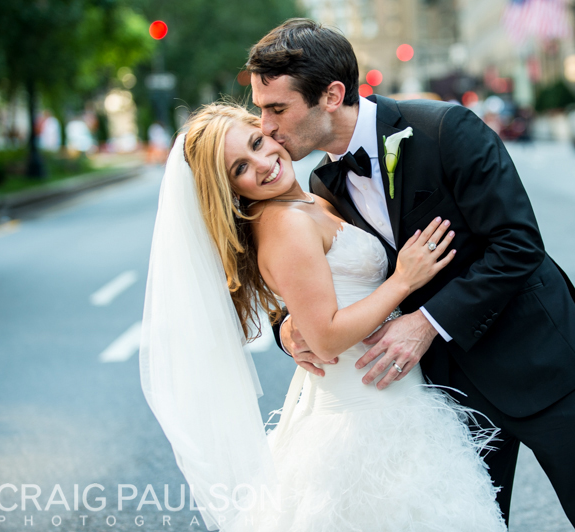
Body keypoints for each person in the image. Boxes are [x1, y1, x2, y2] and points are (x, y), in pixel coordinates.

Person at [247, 18, 575, 532]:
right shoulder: (324, 183)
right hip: (445, 395)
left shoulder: (446, 129)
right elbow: (328, 275)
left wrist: (426, 321)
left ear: (331, 95)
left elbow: (518, 244)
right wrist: (289, 328)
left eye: (276, 109)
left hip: (541, 362)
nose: (265, 126)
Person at [139, 103, 507, 532]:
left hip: (391, 397)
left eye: (257, 142)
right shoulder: (285, 224)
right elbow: (328, 337)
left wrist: (292, 324)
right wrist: (403, 281)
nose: (263, 163)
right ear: (230, 189)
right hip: (365, 412)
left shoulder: (312, 197)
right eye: (241, 167)